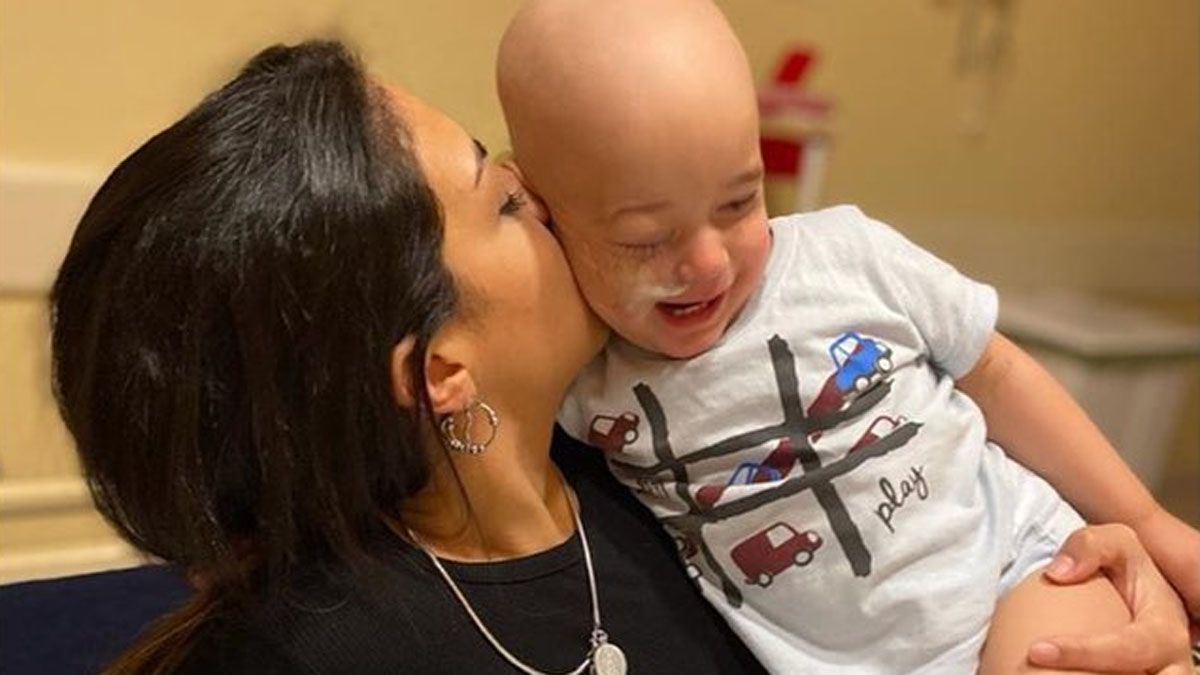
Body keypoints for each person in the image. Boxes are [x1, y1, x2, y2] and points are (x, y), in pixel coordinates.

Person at [49, 40, 1185, 675]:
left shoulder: (643, 451)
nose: (548, 206)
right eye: (505, 199)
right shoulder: (338, 648)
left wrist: (1106, 547)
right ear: (439, 371)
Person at [496, 1, 1199, 672]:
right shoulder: (583, 375)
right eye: (646, 239)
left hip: (1020, 574)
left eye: (740, 201)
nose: (708, 261)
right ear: (546, 216)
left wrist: (1142, 514)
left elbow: (998, 371)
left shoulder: (849, 258)